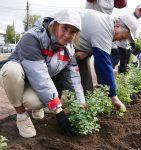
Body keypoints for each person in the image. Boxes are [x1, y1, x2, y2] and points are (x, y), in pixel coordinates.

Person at [0, 9, 86, 138]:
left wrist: (80, 103)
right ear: (55, 25)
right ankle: (21, 115)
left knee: (34, 101)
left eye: (73, 32)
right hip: (18, 76)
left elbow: (74, 77)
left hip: (36, 81)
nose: (68, 35)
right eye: (64, 28)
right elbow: (39, 75)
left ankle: (37, 107)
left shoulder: (69, 49)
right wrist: (59, 112)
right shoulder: (32, 38)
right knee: (11, 70)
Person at [75, 9, 138, 112]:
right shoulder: (104, 30)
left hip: (77, 47)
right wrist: (114, 97)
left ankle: (84, 105)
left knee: (84, 82)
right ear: (117, 26)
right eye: (122, 37)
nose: (120, 40)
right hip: (58, 42)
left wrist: (87, 52)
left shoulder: (107, 24)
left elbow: (92, 40)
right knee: (62, 76)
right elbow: (104, 65)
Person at [116, 4, 141, 73]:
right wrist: (134, 43)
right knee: (123, 61)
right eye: (140, 11)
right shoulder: (130, 17)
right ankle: (122, 76)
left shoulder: (133, 18)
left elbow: (129, 32)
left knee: (126, 60)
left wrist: (132, 43)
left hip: (125, 43)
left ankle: (123, 75)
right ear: (135, 10)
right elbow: (135, 33)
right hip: (120, 42)